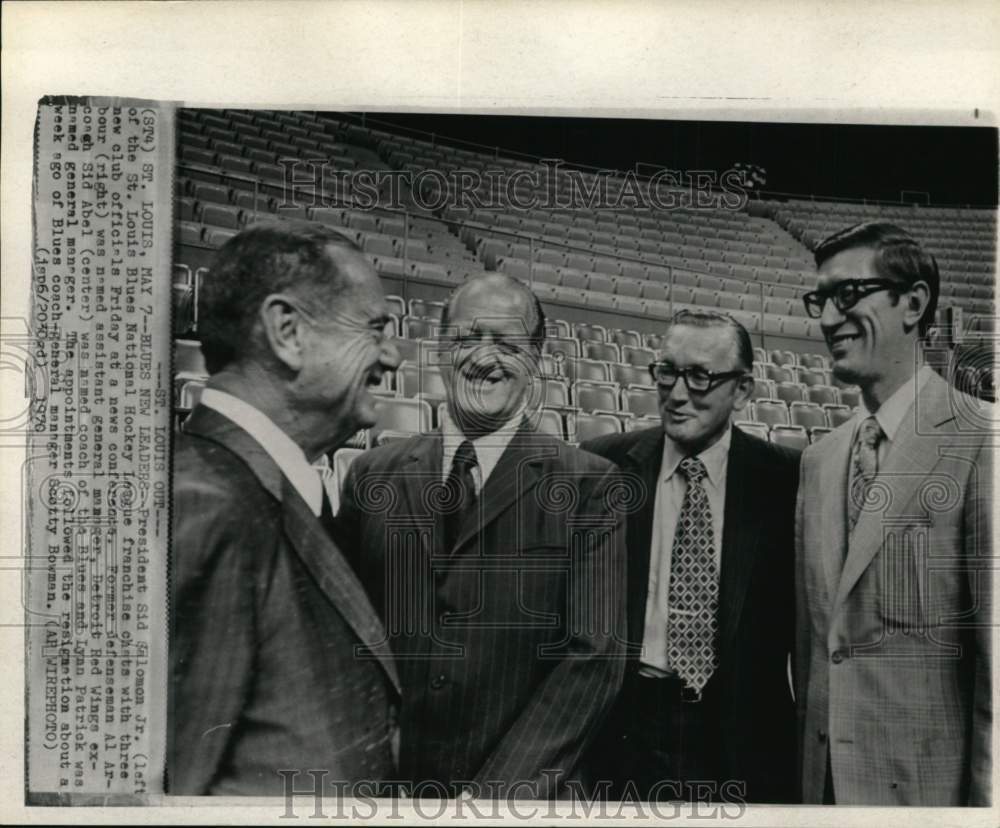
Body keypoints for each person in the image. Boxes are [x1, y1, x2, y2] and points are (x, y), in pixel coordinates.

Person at [337, 273, 627, 800]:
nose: (485, 358)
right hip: (386, 793)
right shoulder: (370, 477)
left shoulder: (591, 485)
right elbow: (341, 638)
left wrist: (493, 797)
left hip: (521, 799)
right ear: (440, 349)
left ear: (536, 358)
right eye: (468, 338)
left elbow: (594, 657)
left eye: (509, 343)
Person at [169, 222, 402, 796]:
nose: (392, 356)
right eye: (376, 329)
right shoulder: (201, 503)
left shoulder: (254, 487)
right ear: (288, 332)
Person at [795, 221, 992, 805]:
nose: (829, 318)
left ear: (914, 303)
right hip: (823, 792)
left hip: (928, 799)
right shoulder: (818, 460)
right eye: (821, 299)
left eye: (848, 294)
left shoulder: (984, 439)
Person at [579, 309, 800, 804]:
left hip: (741, 734)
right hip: (626, 727)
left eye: (700, 376)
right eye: (668, 372)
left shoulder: (786, 479)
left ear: (742, 390)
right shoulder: (603, 464)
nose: (678, 394)